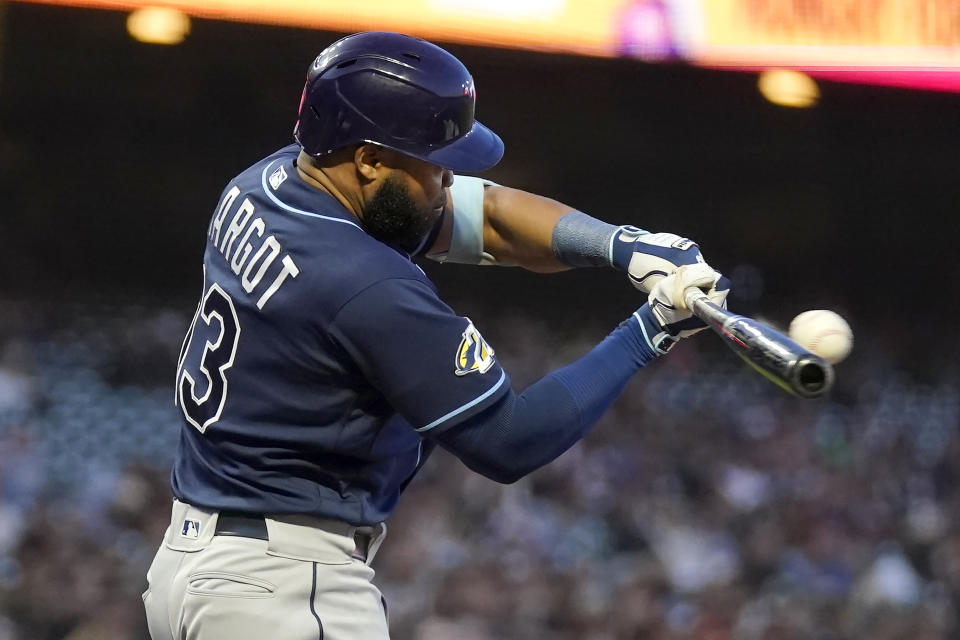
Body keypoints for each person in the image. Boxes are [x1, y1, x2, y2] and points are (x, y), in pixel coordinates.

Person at [142, 31, 729, 640]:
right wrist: (650, 329)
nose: (449, 179)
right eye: (435, 162)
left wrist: (621, 245)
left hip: (199, 566)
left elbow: (489, 215)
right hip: (282, 587)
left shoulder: (265, 184)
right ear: (369, 158)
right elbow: (509, 441)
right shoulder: (364, 284)